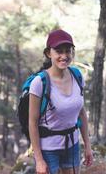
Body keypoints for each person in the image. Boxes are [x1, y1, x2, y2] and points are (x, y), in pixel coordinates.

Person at [29, 29, 93, 174]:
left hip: (72, 145)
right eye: (58, 51)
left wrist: (87, 146)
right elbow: (32, 123)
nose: (64, 56)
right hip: (48, 149)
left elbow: (81, 113)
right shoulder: (39, 82)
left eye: (68, 51)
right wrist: (39, 160)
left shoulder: (77, 76)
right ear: (48, 53)